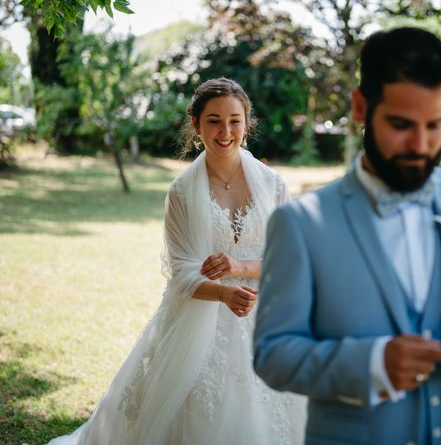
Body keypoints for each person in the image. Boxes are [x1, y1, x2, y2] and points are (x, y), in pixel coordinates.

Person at [253, 28, 441, 445]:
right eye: (401, 124)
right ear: (361, 108)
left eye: (436, 125)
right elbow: (273, 354)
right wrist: (373, 363)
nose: (421, 145)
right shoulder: (301, 223)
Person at [50, 77, 305, 445]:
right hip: (200, 320)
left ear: (247, 123)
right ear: (196, 125)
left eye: (235, 120)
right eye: (214, 120)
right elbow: (182, 274)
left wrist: (240, 270)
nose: (225, 131)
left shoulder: (273, 184)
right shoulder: (182, 192)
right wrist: (224, 293)